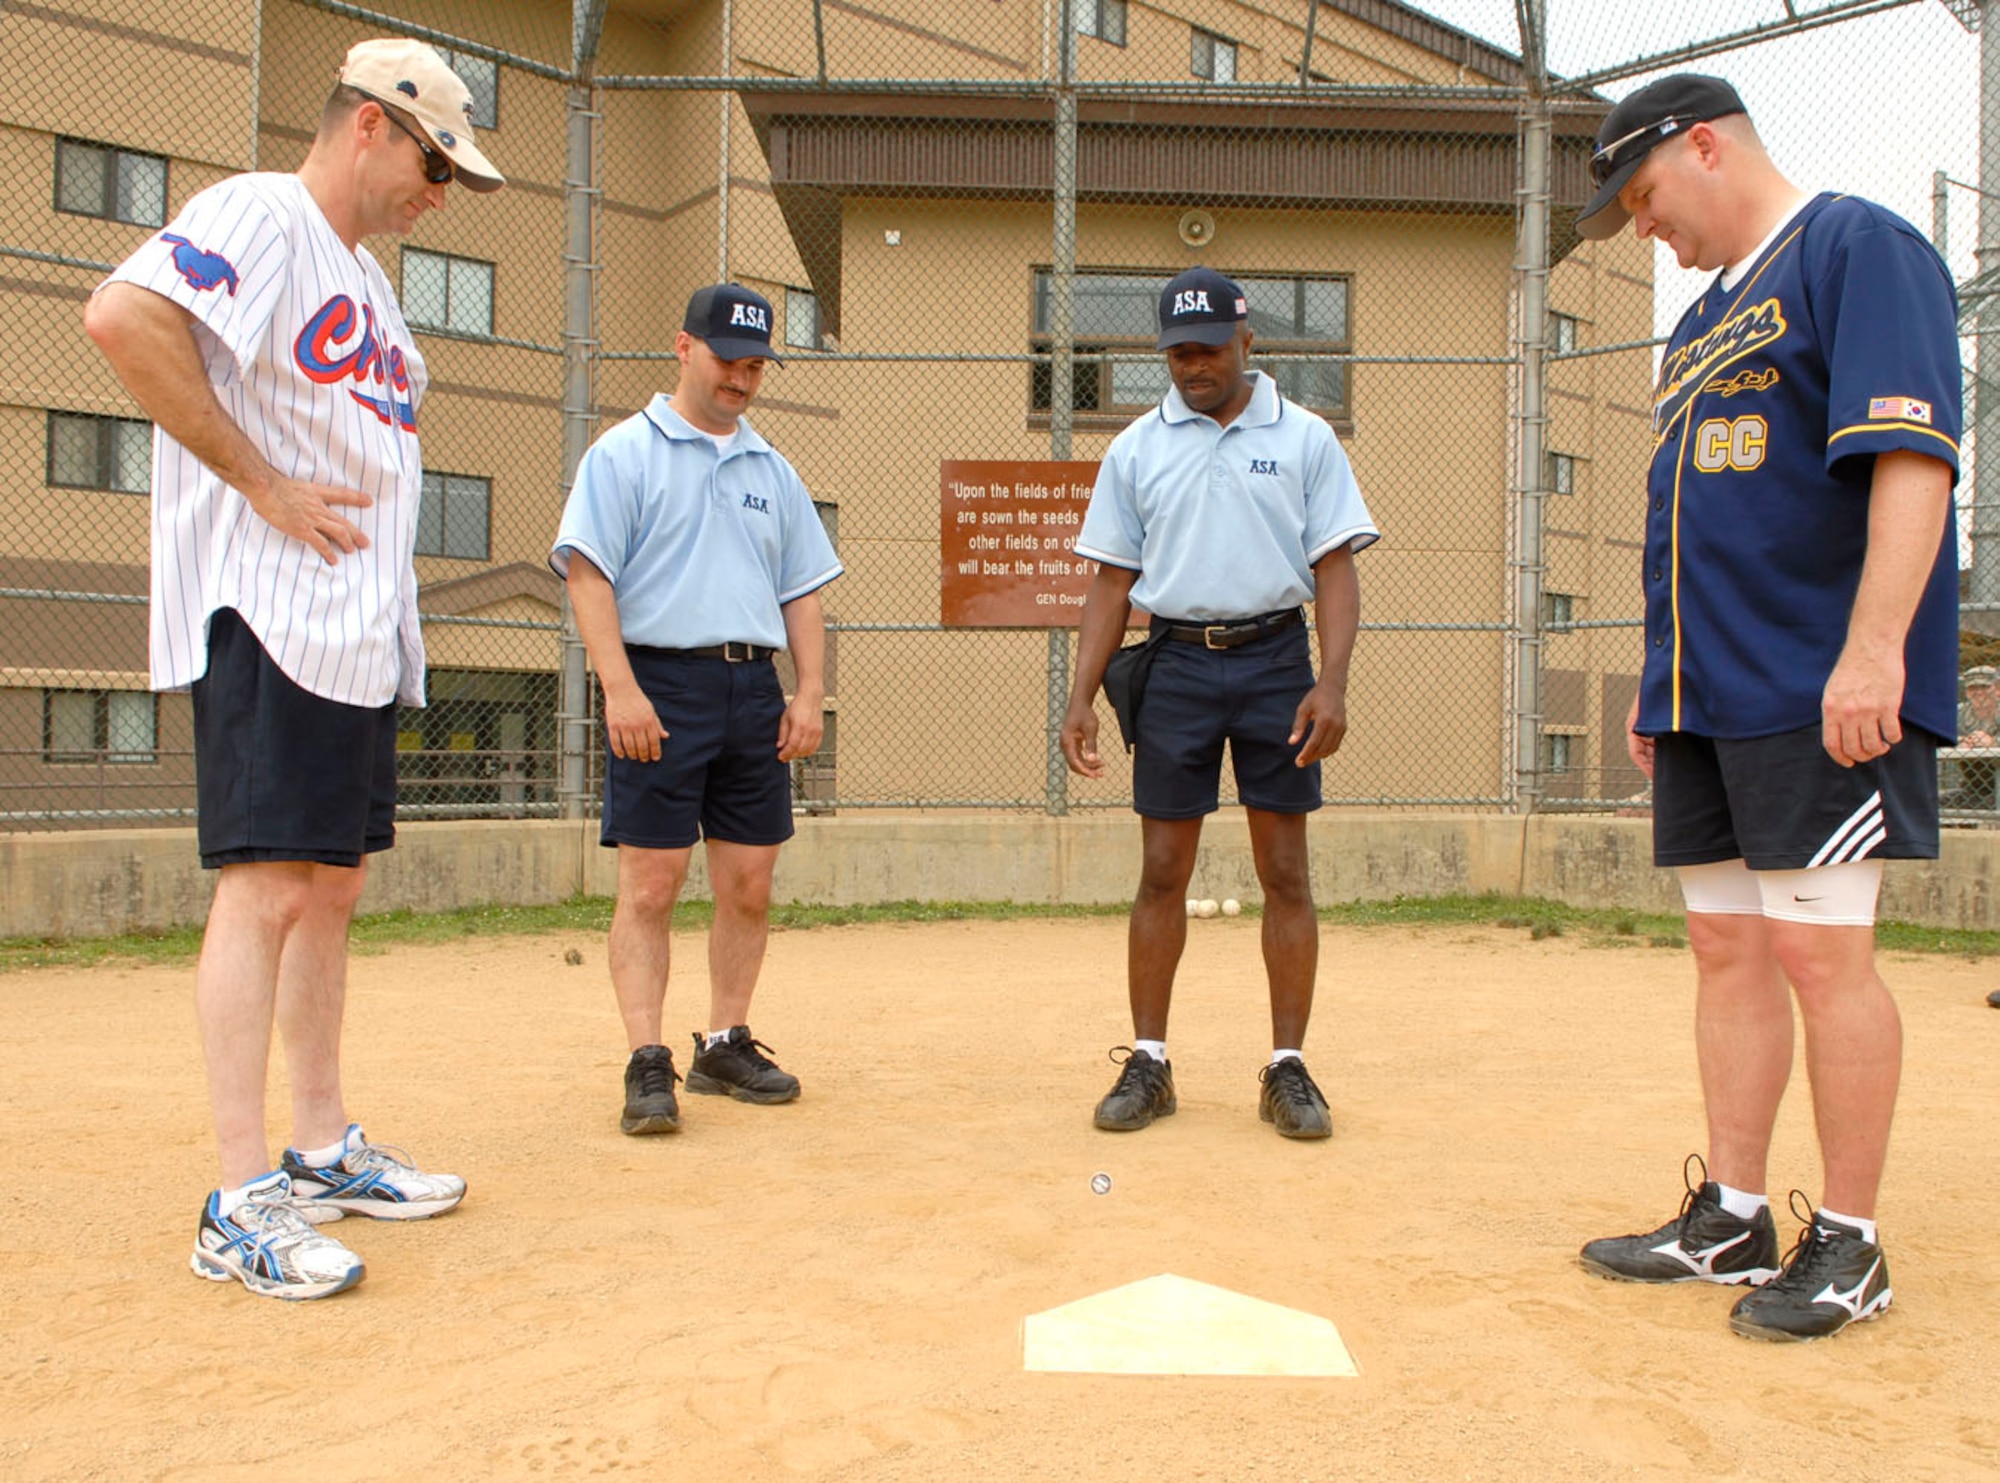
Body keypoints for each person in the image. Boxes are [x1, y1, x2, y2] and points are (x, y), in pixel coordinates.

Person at [81, 39, 505, 1299]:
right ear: (370, 127)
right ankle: (237, 1196)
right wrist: (262, 486)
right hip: (267, 610)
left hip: (352, 625)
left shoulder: (367, 282)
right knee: (266, 888)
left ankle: (316, 1146)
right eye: (435, 162)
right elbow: (124, 318)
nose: (442, 189)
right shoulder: (261, 211)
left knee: (329, 887)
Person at [1570, 75, 1962, 1341]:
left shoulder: (1857, 246)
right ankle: (1732, 1212)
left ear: (1703, 145)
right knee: (1725, 947)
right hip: (1706, 691)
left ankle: (1846, 1245)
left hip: (1812, 682)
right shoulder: (1696, 328)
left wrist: (1872, 653)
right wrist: (1655, 678)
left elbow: (1910, 458)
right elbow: (1689, 517)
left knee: (1818, 952)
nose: (1642, 228)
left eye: (1643, 197)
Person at [1059, 267, 1378, 1141]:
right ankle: (1150, 1061)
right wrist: (1079, 696)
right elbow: (1111, 581)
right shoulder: (1138, 447)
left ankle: (1287, 1069)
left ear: (1247, 341)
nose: (1190, 366)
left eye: (1205, 348)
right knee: (1163, 868)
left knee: (1285, 872)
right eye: (1176, 352)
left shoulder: (1307, 438)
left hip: (1278, 661)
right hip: (1177, 667)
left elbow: (1335, 570)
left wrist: (1333, 679)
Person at [551, 283, 841, 1136]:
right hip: (660, 684)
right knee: (651, 882)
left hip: (751, 688)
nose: (742, 380)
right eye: (728, 361)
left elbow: (801, 591)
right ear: (684, 349)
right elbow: (587, 573)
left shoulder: (771, 469)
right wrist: (621, 687)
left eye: (756, 366)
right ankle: (648, 1061)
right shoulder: (624, 454)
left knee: (748, 881)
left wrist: (809, 689)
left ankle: (725, 1040)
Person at [1951, 665, 1999, 810]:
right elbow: (1937, 735)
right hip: (1975, 786)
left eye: (1985, 687)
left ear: (1998, 690)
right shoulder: (1959, 713)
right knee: (1939, 802)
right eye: (1973, 688)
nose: (1979, 692)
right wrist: (1958, 741)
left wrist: (1993, 742)